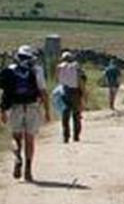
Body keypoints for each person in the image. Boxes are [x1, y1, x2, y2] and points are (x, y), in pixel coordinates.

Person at [1, 45, 51, 182]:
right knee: (30, 139)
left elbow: (4, 92)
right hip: (32, 107)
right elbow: (43, 92)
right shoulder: (37, 70)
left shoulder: (9, 70)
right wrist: (47, 110)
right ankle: (28, 170)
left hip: (15, 107)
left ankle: (17, 157)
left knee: (15, 137)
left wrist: (2, 111)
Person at [56, 50, 86, 142]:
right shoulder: (76, 66)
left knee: (65, 115)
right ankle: (76, 136)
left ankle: (66, 136)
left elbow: (57, 79)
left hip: (63, 91)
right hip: (75, 91)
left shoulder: (59, 67)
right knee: (76, 114)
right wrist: (83, 92)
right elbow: (80, 80)